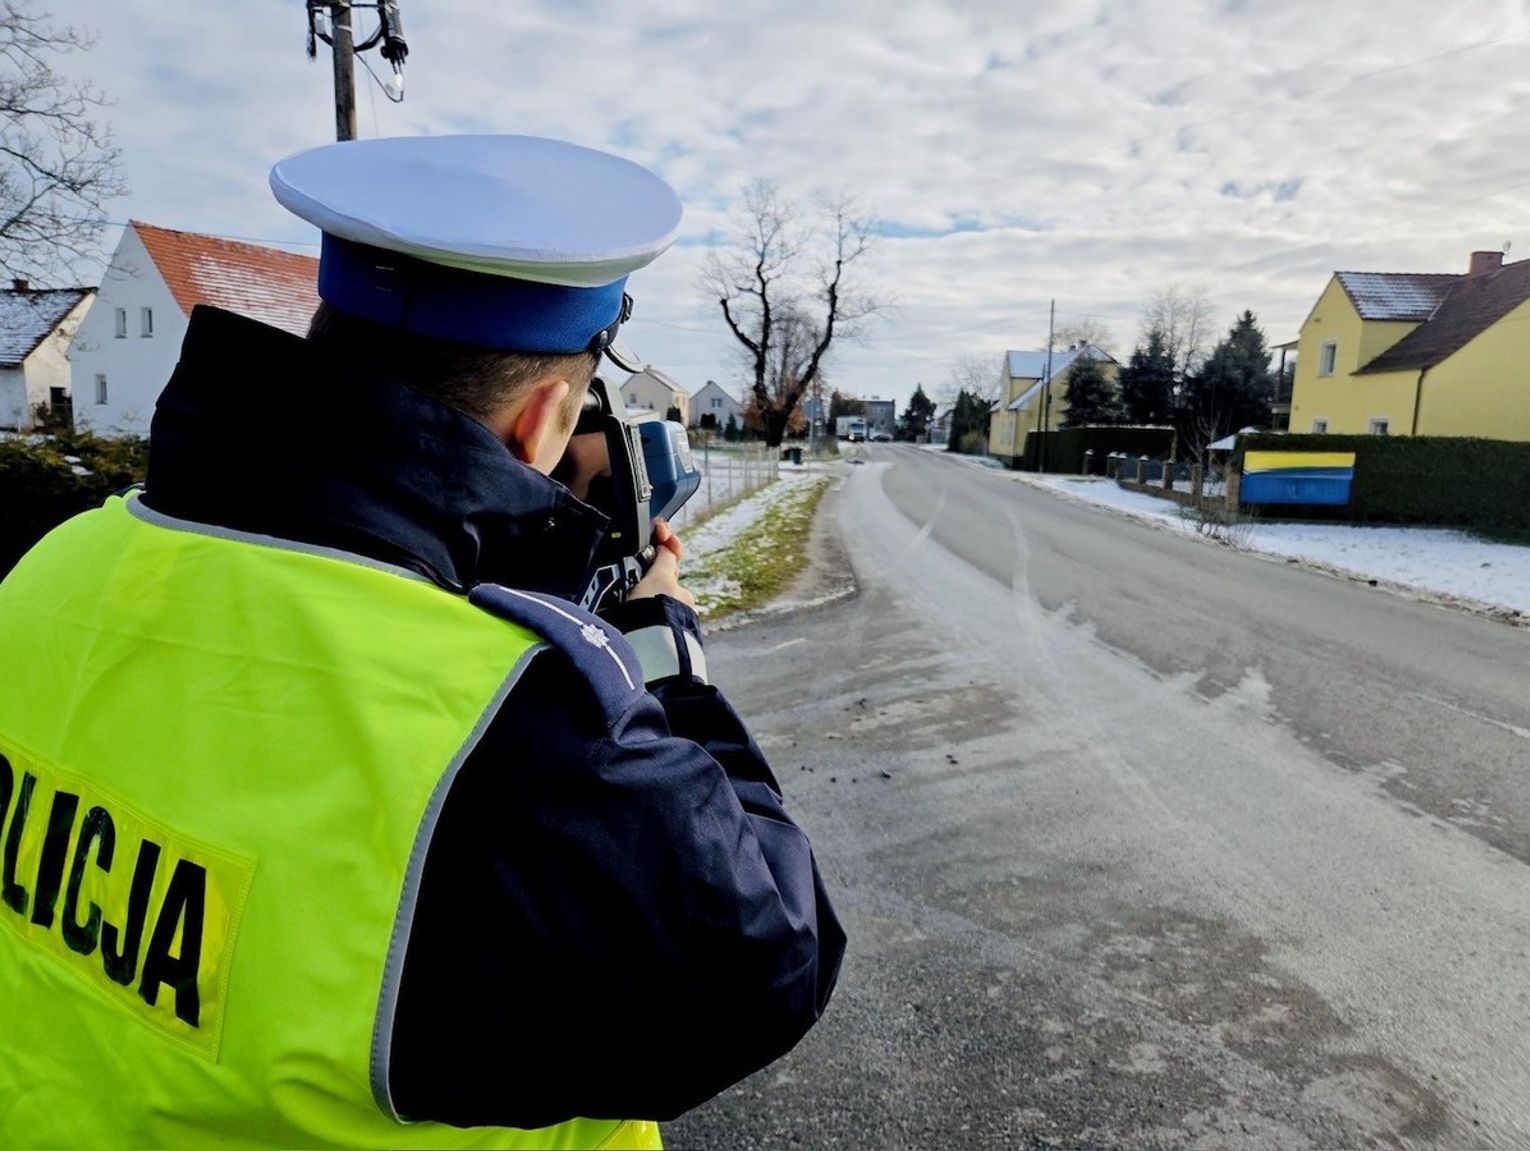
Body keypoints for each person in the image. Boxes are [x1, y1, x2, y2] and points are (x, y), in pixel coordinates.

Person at [0, 135, 844, 1148]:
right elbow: (770, 956)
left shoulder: (48, 571)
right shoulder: (521, 730)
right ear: (544, 421)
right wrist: (660, 639)